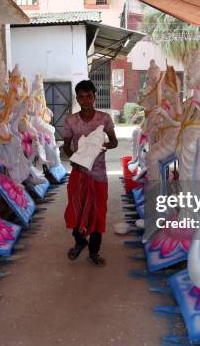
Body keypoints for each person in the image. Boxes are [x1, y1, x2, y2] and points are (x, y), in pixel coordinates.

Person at [62, 80, 118, 266]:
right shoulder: (70, 120)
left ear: (94, 97)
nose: (85, 100)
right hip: (79, 173)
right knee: (76, 210)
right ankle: (79, 242)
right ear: (77, 98)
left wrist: (101, 147)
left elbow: (114, 142)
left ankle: (94, 251)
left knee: (97, 213)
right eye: (81, 97)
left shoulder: (104, 118)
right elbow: (66, 146)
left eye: (89, 96)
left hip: (99, 174)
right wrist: (74, 157)